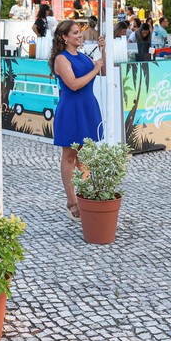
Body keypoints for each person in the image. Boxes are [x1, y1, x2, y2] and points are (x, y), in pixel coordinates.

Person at [50, 20, 105, 221]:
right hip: (71, 109)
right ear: (64, 37)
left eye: (79, 32)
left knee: (85, 155)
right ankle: (71, 200)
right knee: (70, 155)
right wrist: (94, 69)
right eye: (75, 33)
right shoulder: (61, 59)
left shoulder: (82, 56)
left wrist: (102, 50)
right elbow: (73, 84)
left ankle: (83, 195)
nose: (79, 35)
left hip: (87, 106)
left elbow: (103, 71)